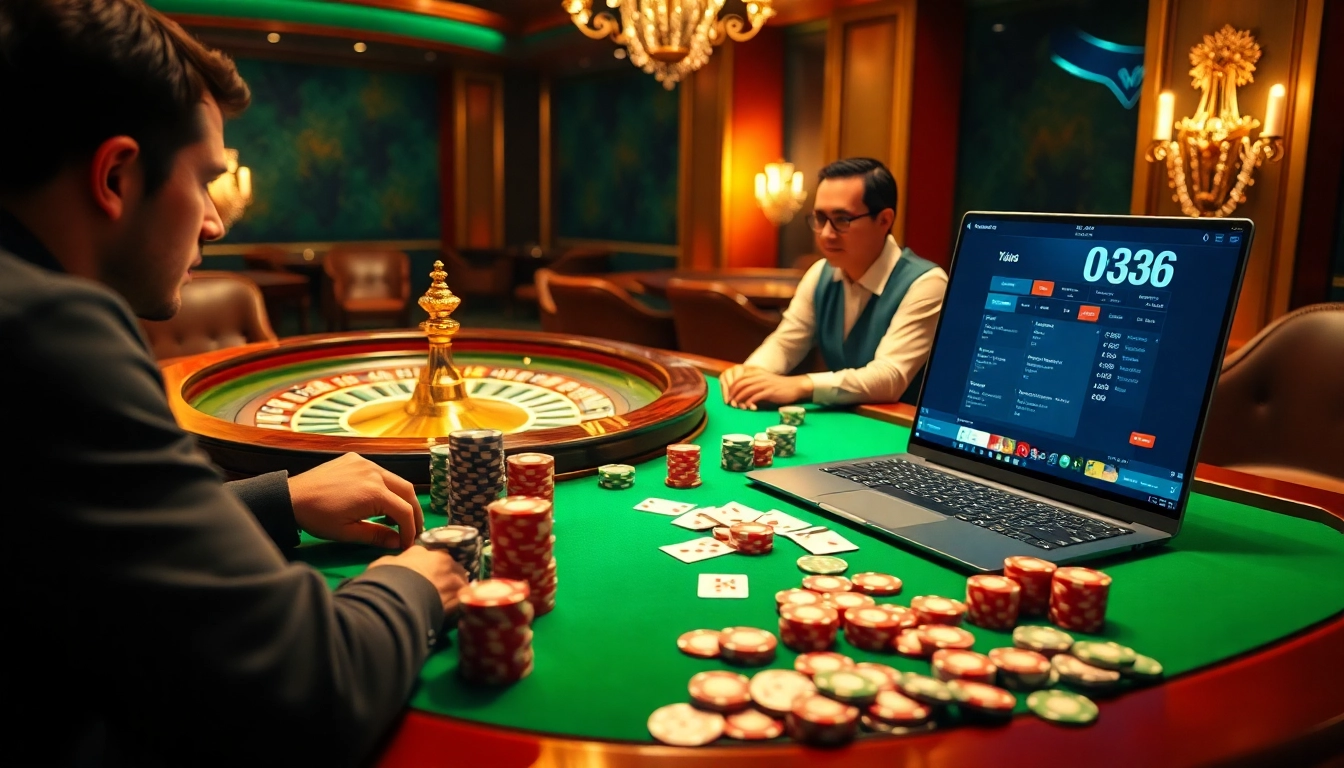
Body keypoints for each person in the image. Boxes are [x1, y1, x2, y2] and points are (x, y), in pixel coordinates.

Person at [0, 1, 468, 765]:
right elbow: (313, 689)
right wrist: (417, 583)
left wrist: (280, 499)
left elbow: (70, 539)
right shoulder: (49, 332)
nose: (217, 222)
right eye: (206, 180)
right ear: (116, 175)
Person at [721, 158, 949, 408]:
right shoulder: (820, 273)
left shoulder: (927, 283)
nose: (827, 234)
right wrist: (751, 374)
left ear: (884, 220)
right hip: (847, 421)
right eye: (820, 218)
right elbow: (786, 342)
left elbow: (890, 376)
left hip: (903, 430)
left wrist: (801, 385)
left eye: (842, 220)